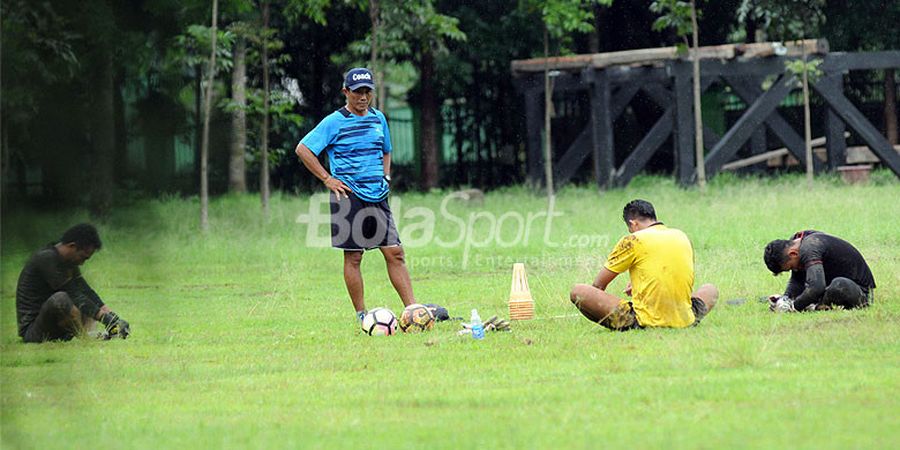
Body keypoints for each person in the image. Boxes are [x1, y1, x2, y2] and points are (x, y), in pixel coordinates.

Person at [295, 67, 416, 321]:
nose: (363, 97)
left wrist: (386, 176)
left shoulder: (378, 118)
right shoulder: (333, 122)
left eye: (367, 92)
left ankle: (413, 310)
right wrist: (327, 179)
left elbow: (386, 149)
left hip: (377, 194)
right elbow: (303, 149)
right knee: (354, 256)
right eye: (358, 92)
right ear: (345, 92)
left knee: (395, 252)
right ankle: (362, 315)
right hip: (348, 197)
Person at [569, 199, 718, 330]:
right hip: (685, 317)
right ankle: (682, 319)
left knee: (579, 291)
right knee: (710, 290)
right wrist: (641, 284)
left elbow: (599, 285)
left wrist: (593, 308)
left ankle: (638, 324)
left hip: (644, 320)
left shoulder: (634, 239)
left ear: (633, 224)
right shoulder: (681, 236)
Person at [16, 223, 130, 343]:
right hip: (34, 332)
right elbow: (72, 293)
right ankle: (86, 338)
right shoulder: (46, 258)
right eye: (83, 257)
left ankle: (92, 335)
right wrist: (104, 318)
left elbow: (84, 290)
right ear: (72, 246)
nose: (82, 263)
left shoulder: (68, 262)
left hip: (57, 328)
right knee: (62, 298)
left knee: (84, 299)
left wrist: (113, 316)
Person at [763, 230, 875, 312]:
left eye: (792, 267)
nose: (795, 270)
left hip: (859, 291)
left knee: (838, 284)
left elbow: (816, 287)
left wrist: (794, 307)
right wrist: (785, 299)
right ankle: (817, 305)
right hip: (828, 285)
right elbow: (797, 280)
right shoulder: (797, 243)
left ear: (793, 254)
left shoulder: (810, 247)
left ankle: (817, 305)